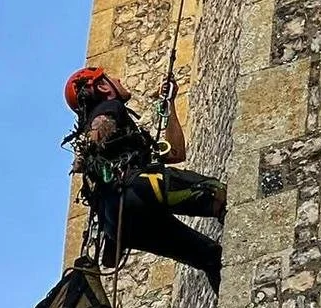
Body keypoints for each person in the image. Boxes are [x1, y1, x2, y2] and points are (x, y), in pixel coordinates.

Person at [63, 67, 225, 292]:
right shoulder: (110, 107)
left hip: (122, 229)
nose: (118, 79)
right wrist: (91, 144)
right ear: (102, 86)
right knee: (217, 192)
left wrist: (168, 102)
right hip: (138, 189)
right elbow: (100, 125)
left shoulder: (119, 147)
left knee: (210, 256)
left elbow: (176, 153)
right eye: (111, 78)